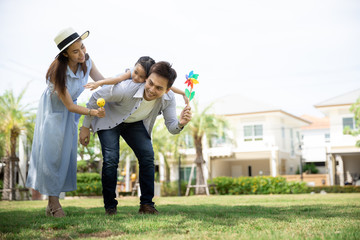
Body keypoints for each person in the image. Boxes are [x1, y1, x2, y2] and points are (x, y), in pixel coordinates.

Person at [79, 61, 192, 215]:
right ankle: (110, 207)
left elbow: (172, 127)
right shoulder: (125, 89)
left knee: (147, 156)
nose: (152, 89)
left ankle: (147, 205)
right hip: (110, 119)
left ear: (167, 90)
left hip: (133, 123)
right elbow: (95, 97)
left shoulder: (168, 98)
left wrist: (181, 123)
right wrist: (85, 127)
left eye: (159, 88)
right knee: (111, 159)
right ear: (147, 78)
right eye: (150, 83)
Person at [26, 27, 106, 218]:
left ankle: (51, 204)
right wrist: (93, 112)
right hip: (53, 115)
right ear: (65, 53)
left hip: (70, 117)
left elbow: (102, 80)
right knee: (52, 158)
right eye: (76, 51)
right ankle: (54, 205)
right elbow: (69, 105)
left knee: (64, 159)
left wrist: (127, 78)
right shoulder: (57, 72)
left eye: (83, 47)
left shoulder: (87, 60)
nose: (82, 53)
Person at [83, 56, 189, 104]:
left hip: (119, 96)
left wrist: (183, 93)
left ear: (147, 77)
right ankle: (88, 65)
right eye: (136, 72)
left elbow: (168, 87)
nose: (136, 77)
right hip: (112, 84)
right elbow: (117, 79)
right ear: (134, 67)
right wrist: (99, 83)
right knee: (106, 81)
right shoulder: (130, 73)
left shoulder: (151, 81)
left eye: (141, 77)